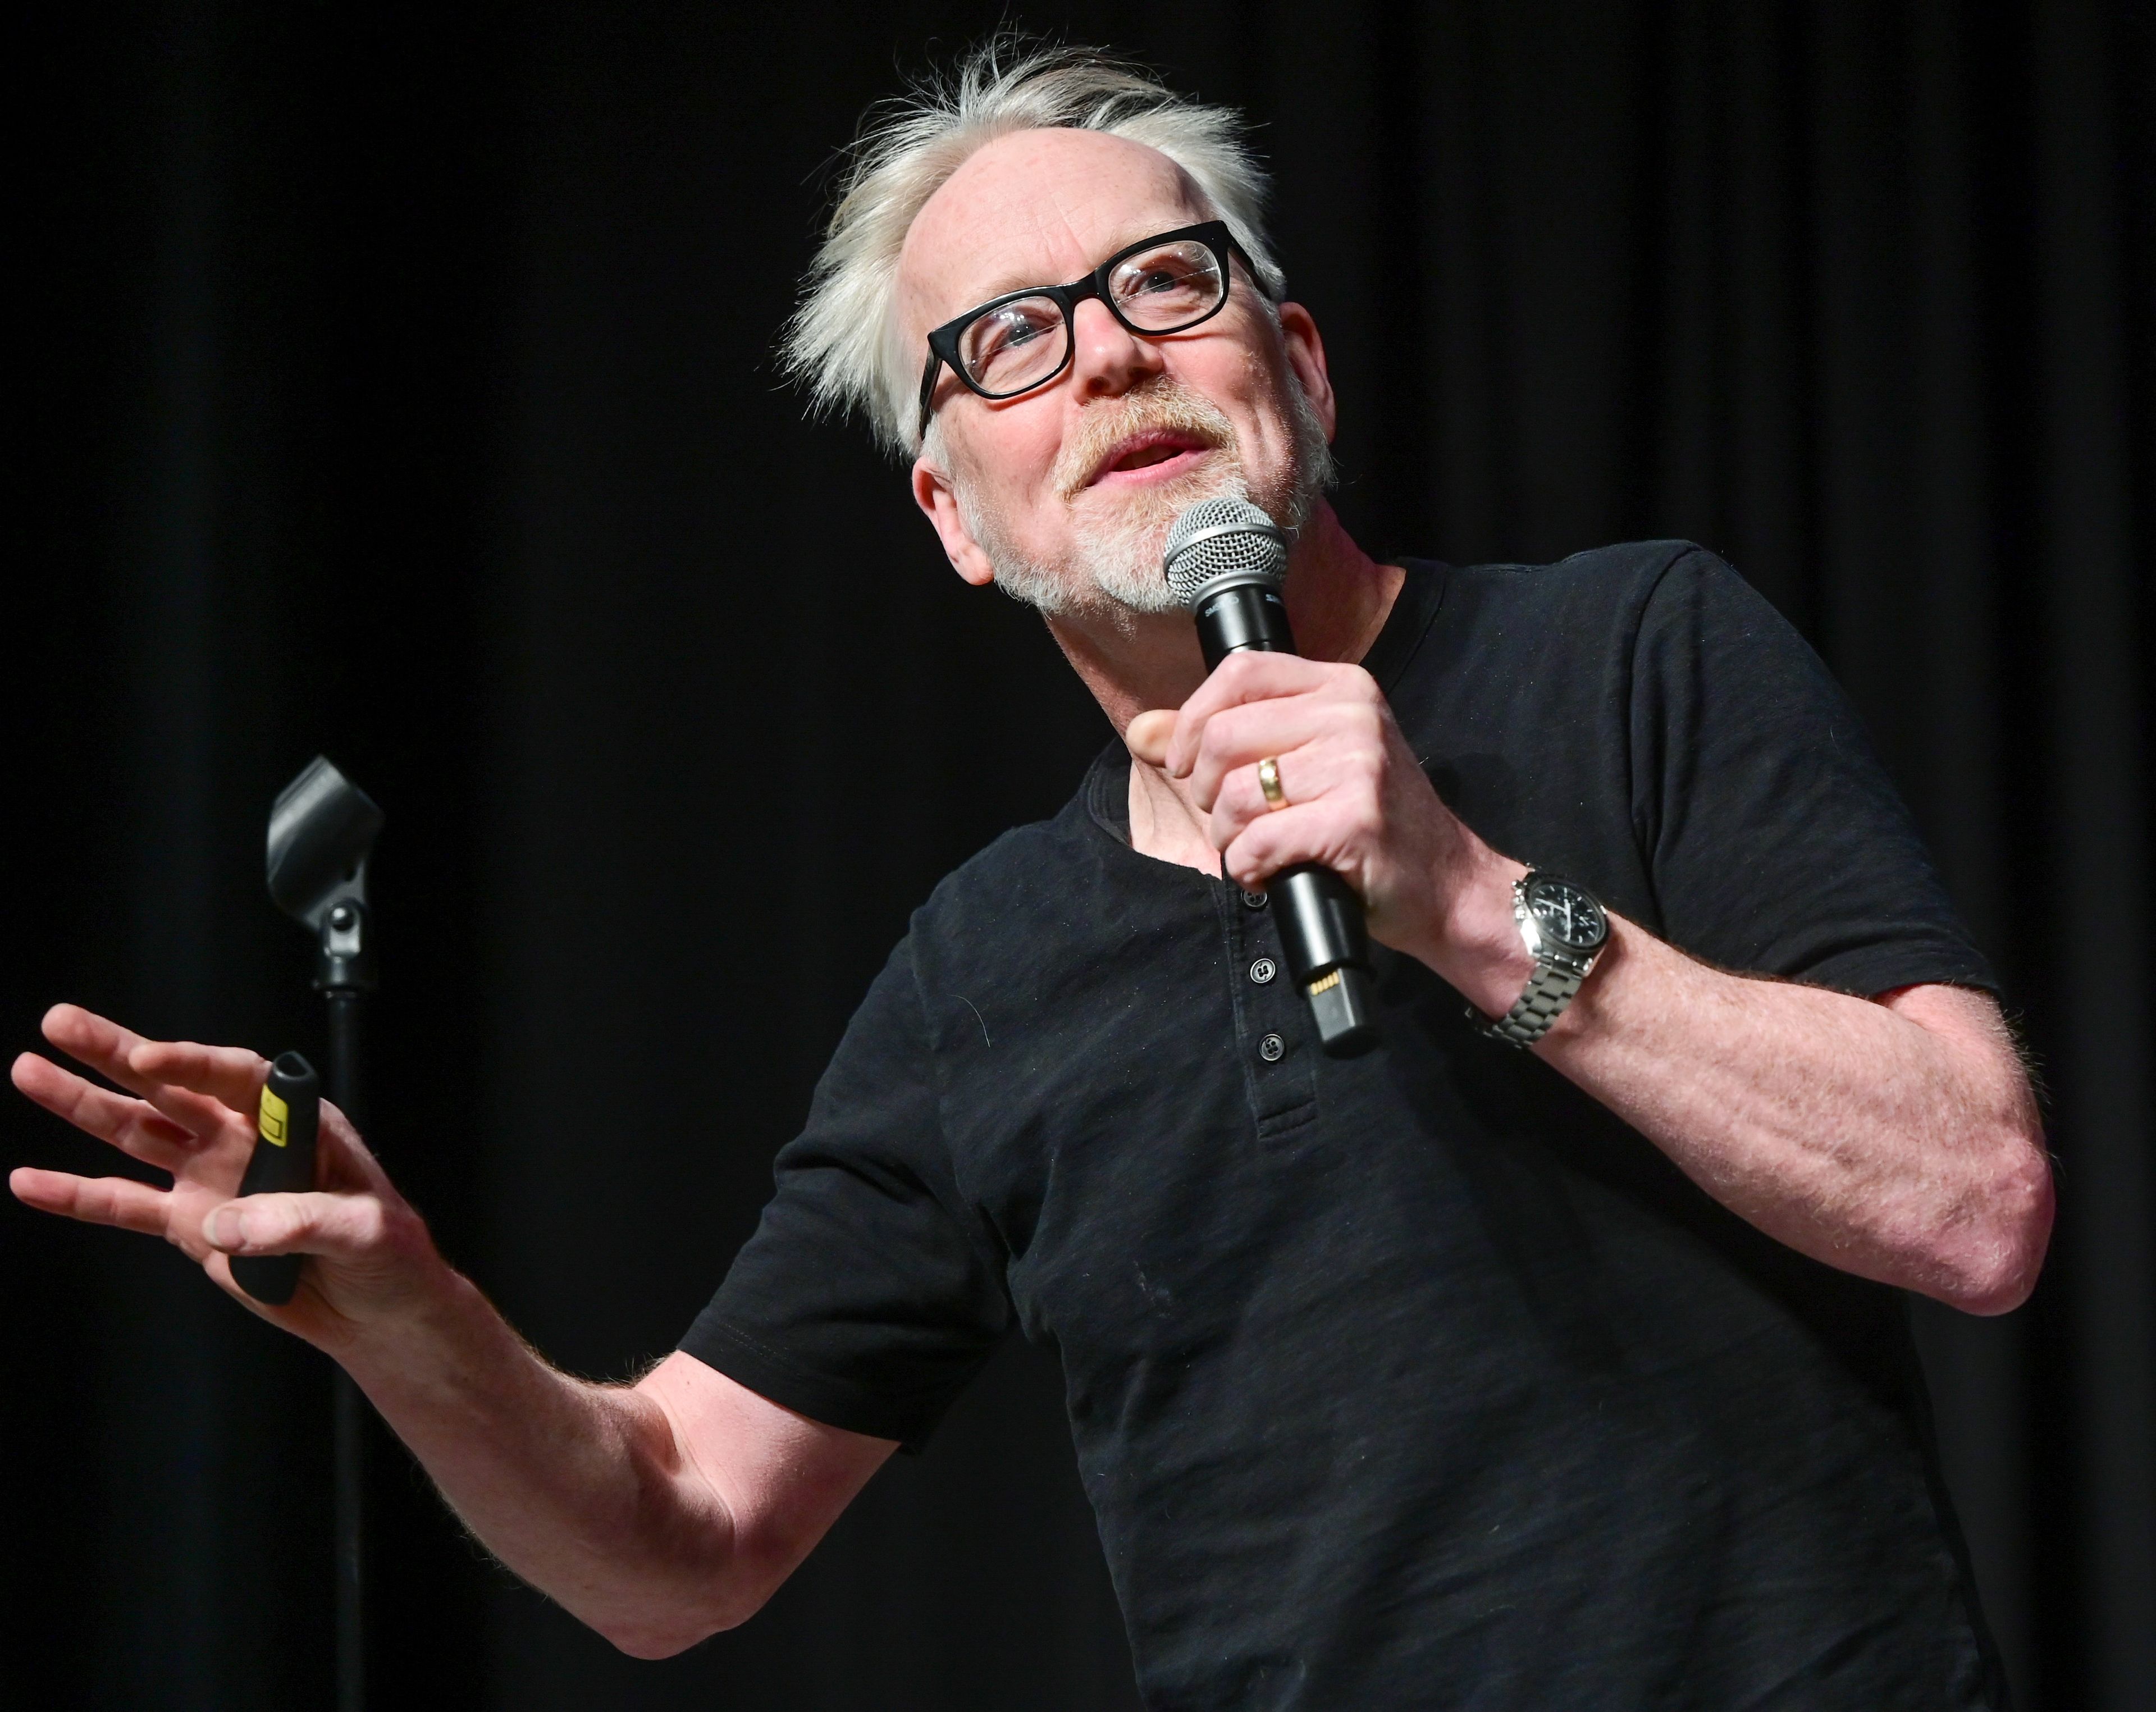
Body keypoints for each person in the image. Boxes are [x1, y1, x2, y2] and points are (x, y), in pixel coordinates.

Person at [11, 41, 2049, 1710]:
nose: (1100, 359)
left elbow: (1974, 1200)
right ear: (953, 516)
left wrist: (1473, 900)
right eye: (1005, 342)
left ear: (1302, 367)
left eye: (1164, 286)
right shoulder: (982, 974)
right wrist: (410, 1314)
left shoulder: (1639, 652)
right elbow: (678, 1547)